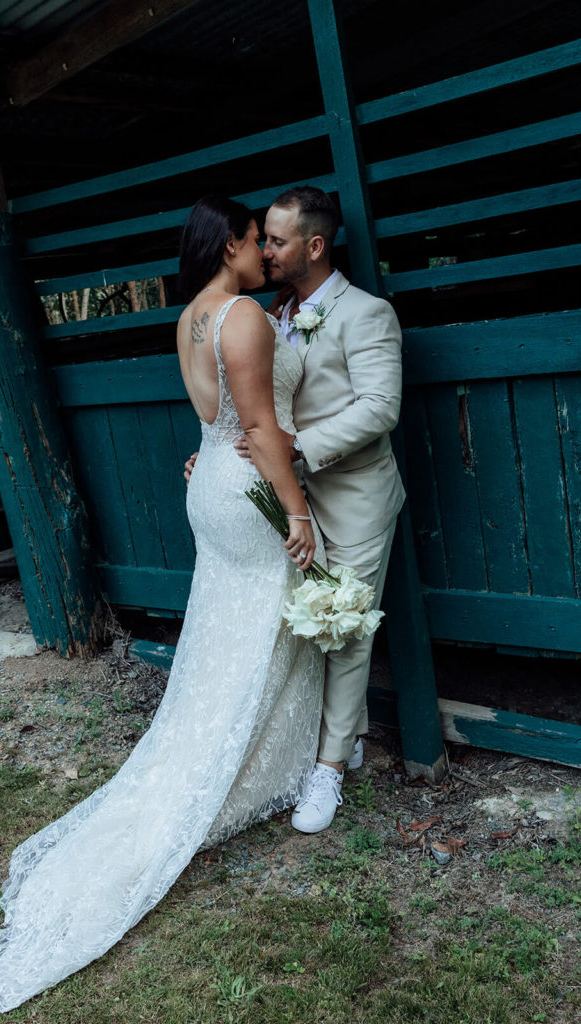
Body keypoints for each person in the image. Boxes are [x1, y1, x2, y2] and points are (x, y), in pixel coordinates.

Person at [0, 195, 324, 1013]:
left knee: (227, 636)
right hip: (247, 494)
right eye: (253, 241)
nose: (263, 254)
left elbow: (210, 421)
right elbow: (258, 426)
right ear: (230, 244)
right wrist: (299, 512)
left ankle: (236, 755)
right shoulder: (241, 315)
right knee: (258, 635)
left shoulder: (190, 319)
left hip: (206, 484)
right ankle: (241, 771)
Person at [187, 186, 405, 834]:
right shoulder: (266, 311)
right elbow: (245, 403)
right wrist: (221, 454)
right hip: (287, 499)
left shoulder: (367, 314)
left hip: (355, 495)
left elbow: (378, 408)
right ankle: (336, 741)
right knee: (305, 630)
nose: (267, 251)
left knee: (347, 629)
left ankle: (329, 770)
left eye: (276, 241)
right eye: (262, 239)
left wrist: (295, 447)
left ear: (314, 245)